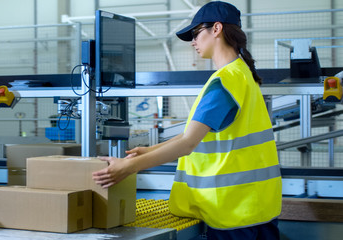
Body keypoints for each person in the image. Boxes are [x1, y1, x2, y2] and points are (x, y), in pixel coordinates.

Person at [92, 1, 282, 239]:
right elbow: (194, 136)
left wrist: (129, 167)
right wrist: (151, 150)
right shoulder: (243, 74)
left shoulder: (223, 82)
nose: (193, 41)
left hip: (233, 213)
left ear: (217, 29)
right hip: (260, 206)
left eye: (196, 33)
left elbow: (188, 143)